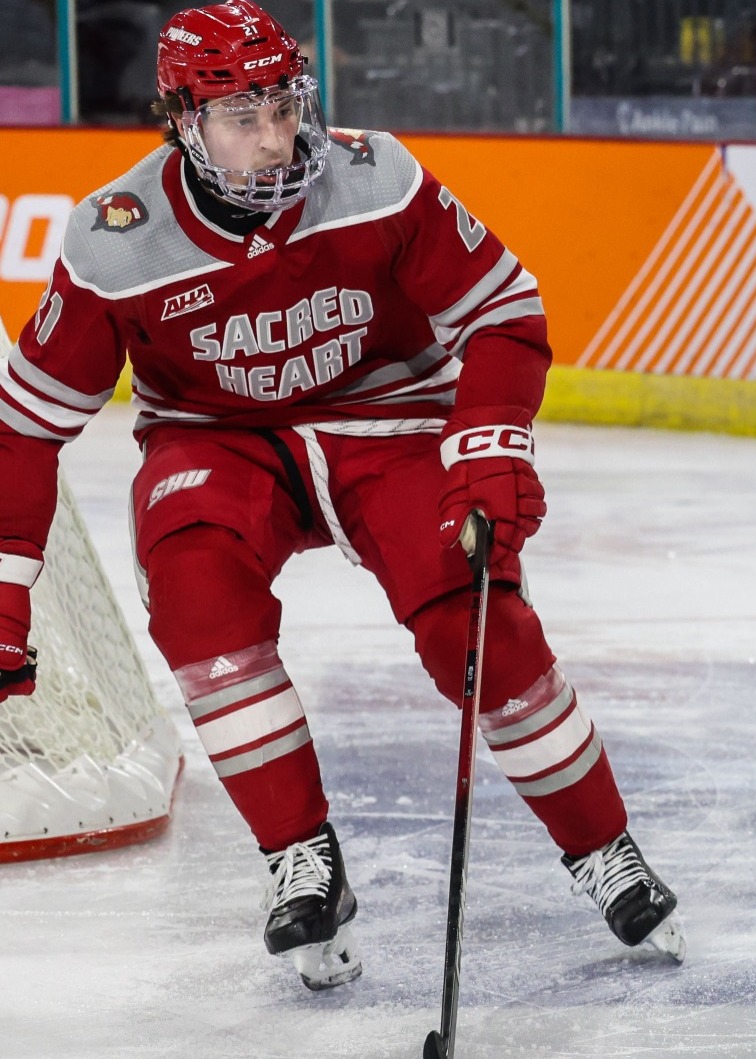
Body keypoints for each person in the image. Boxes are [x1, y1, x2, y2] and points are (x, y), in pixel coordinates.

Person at [0, 1, 683, 990]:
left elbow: (503, 310)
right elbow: (25, 425)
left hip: (389, 419)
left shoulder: (375, 178)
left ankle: (603, 847)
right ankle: (300, 858)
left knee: (476, 625)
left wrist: (489, 444)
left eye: (285, 106)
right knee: (196, 594)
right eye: (243, 118)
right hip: (218, 442)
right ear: (183, 121)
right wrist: (6, 592)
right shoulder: (116, 239)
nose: (277, 139)